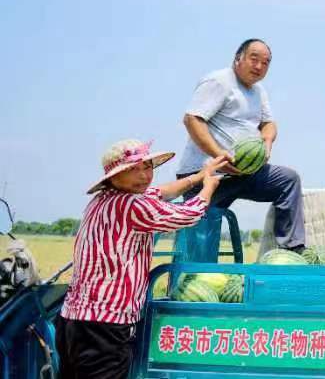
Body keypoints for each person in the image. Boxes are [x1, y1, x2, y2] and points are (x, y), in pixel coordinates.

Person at [56, 139, 227, 379]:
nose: (144, 175)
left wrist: (199, 175)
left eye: (147, 167)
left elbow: (162, 191)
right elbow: (189, 215)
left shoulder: (102, 199)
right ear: (113, 176)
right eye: (132, 169)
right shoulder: (133, 205)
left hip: (72, 321)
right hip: (105, 325)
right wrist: (208, 187)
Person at [176, 38, 305, 252]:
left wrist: (267, 143)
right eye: (254, 59)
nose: (259, 66)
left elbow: (268, 123)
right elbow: (192, 119)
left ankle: (292, 252)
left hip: (242, 173)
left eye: (266, 63)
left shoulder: (258, 91)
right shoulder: (219, 81)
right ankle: (191, 278)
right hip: (206, 174)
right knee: (200, 248)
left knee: (288, 180)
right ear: (238, 58)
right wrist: (219, 156)